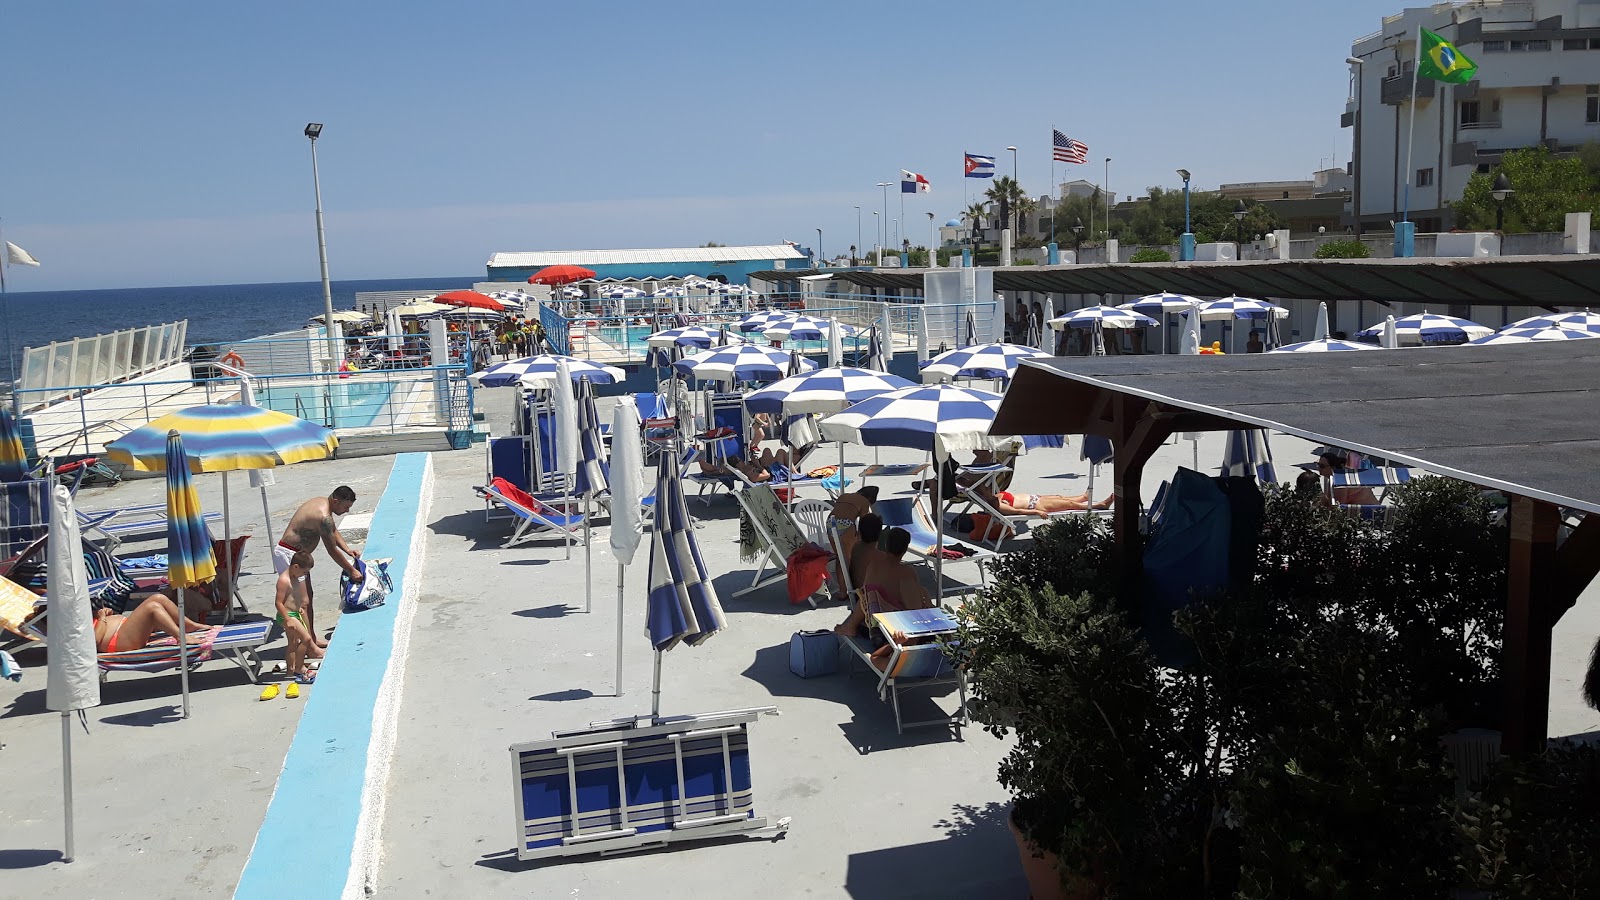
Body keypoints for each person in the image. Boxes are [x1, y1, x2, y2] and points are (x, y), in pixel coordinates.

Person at [276, 486, 362, 651]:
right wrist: (352, 571)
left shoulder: (324, 503)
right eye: (345, 507)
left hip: (296, 556)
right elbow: (331, 550)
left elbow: (333, 532)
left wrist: (348, 550)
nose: (346, 511)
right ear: (336, 501)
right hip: (290, 556)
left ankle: (311, 639)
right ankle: (307, 645)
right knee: (301, 601)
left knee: (307, 597)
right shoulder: (323, 516)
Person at [93, 595, 213, 655]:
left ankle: (188, 625)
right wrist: (102, 618)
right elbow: (95, 640)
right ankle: (181, 637)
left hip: (123, 630)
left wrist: (106, 614)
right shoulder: (76, 627)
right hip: (117, 642)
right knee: (152, 608)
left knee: (158, 598)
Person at [274, 551, 318, 685]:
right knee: (306, 638)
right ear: (296, 567)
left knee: (293, 644)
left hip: (294, 614)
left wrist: (299, 606)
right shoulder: (284, 580)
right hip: (287, 616)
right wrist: (287, 619)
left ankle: (290, 671)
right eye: (304, 572)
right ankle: (299, 668)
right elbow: (278, 602)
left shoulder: (294, 578)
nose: (304, 575)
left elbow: (292, 597)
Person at [982, 485, 1112, 517]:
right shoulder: (999, 506)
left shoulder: (996, 496)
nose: (988, 489)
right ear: (986, 497)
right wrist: (1037, 512)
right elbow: (1018, 510)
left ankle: (1083, 498)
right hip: (1036, 505)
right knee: (1069, 505)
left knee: (1060, 497)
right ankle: (1099, 505)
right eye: (986, 491)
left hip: (1036, 498)